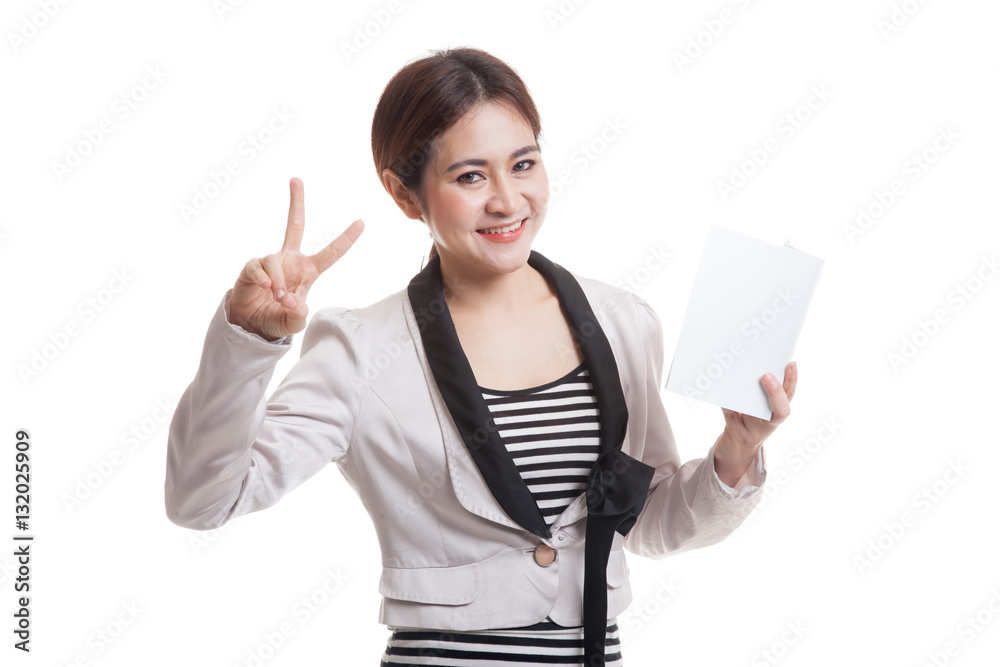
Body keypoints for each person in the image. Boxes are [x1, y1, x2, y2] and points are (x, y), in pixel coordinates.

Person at [164, 46, 796, 666]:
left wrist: (737, 449)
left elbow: (649, 522)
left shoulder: (623, 322)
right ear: (405, 194)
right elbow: (203, 500)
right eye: (470, 176)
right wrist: (247, 341)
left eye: (523, 164)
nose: (507, 200)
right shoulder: (360, 348)